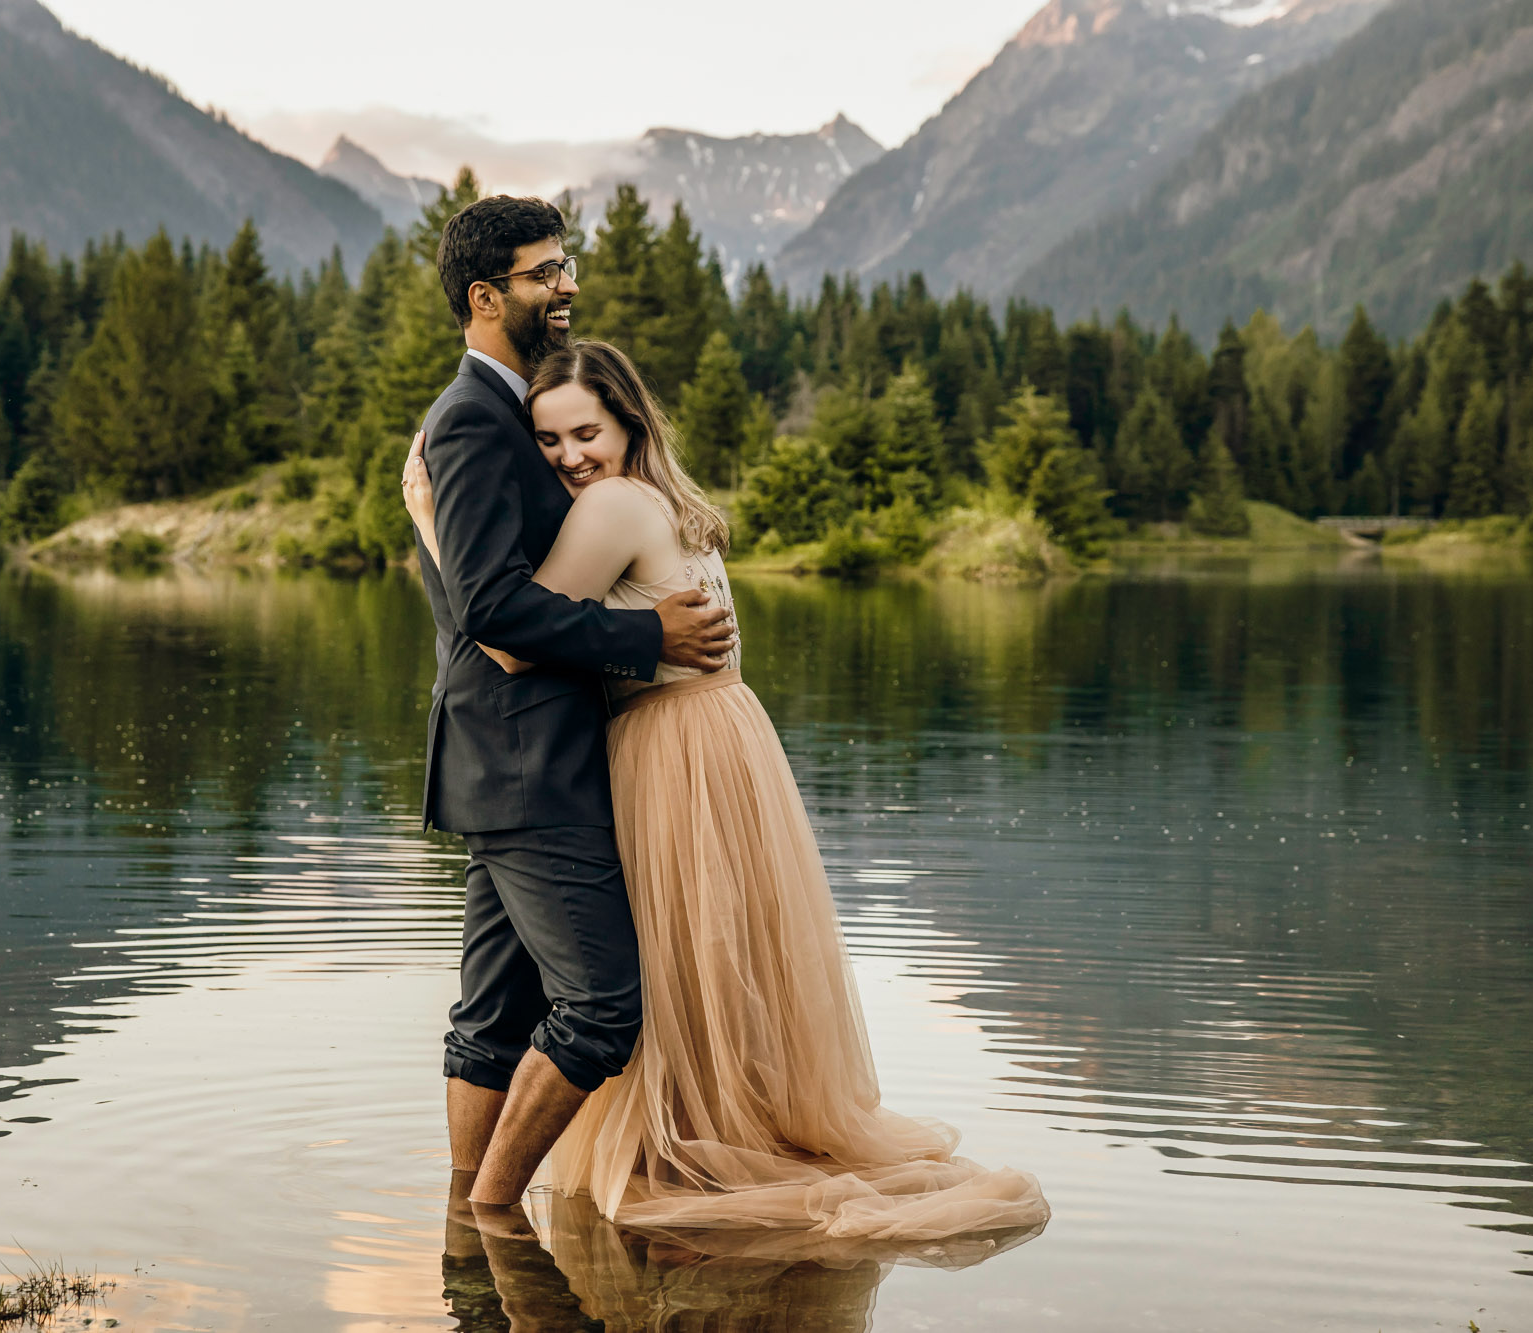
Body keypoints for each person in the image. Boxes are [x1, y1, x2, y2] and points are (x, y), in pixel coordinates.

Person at [404, 337, 1050, 1243]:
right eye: (547, 442)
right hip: (723, 743)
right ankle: (535, 1203)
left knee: (630, 994)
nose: (567, 457)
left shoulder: (614, 507)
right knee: (702, 976)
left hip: (671, 754)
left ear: (628, 422)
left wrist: (434, 532)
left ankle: (488, 1215)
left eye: (584, 431)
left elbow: (506, 635)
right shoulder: (671, 500)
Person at [411, 196, 738, 1221]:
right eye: (544, 272)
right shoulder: (470, 418)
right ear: (484, 294)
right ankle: (494, 1217)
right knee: (600, 1009)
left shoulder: (510, 415)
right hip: (526, 764)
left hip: (515, 756)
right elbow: (493, 609)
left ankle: (470, 1228)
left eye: (565, 267)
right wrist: (652, 638)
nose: (566, 287)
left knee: (494, 1015)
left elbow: (486, 583)